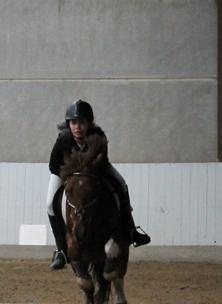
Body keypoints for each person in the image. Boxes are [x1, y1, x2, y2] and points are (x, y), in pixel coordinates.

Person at [46, 99, 150, 270]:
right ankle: (61, 251)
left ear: (89, 123)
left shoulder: (98, 136)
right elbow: (53, 165)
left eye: (82, 123)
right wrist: (70, 178)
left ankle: (131, 231)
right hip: (64, 173)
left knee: (122, 184)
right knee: (50, 204)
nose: (77, 127)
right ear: (68, 124)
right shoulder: (63, 138)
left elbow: (102, 162)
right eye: (73, 123)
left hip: (95, 171)